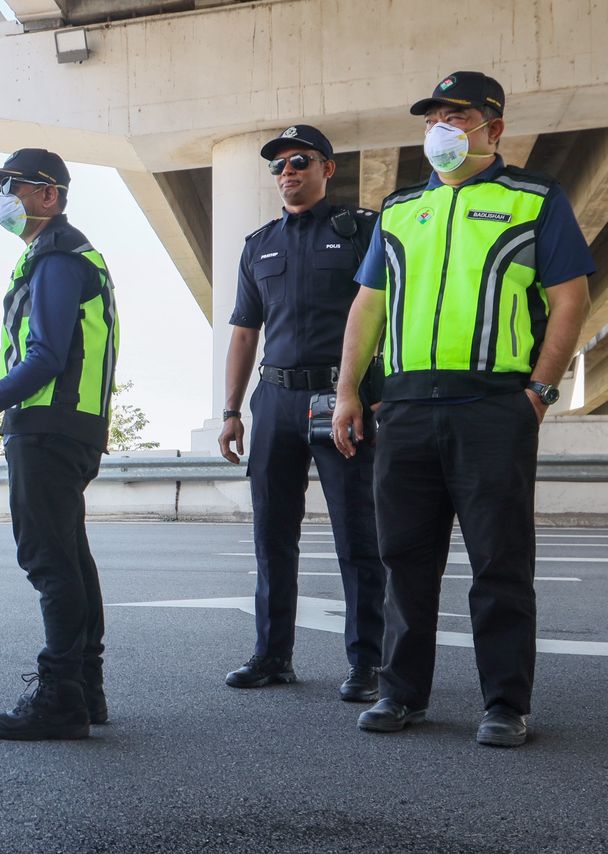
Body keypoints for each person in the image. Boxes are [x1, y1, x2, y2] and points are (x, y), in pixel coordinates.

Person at [332, 71, 594, 747]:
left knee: (499, 563)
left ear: (492, 128)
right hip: (406, 408)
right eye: (432, 118)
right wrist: (348, 390)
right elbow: (368, 305)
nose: (439, 129)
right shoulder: (399, 209)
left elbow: (571, 297)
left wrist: (539, 392)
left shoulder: (534, 199)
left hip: (492, 407)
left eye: (455, 116)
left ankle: (505, 703)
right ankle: (400, 693)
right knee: (403, 559)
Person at [0, 148, 119, 741]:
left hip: (47, 426)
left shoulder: (58, 258)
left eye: (11, 186)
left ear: (49, 194)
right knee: (71, 557)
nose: (2, 199)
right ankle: (84, 688)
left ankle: (60, 697)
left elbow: (46, 357)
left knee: (48, 560)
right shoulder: (62, 256)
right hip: (72, 425)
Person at [219, 125, 386, 702]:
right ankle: (272, 655)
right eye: (278, 165)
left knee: (357, 535)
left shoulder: (362, 230)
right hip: (276, 401)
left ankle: (367, 663)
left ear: (327, 168)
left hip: (341, 398)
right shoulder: (258, 244)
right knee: (272, 534)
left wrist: (373, 393)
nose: (287, 172)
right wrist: (231, 410)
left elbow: (387, 312)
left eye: (299, 161)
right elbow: (245, 332)